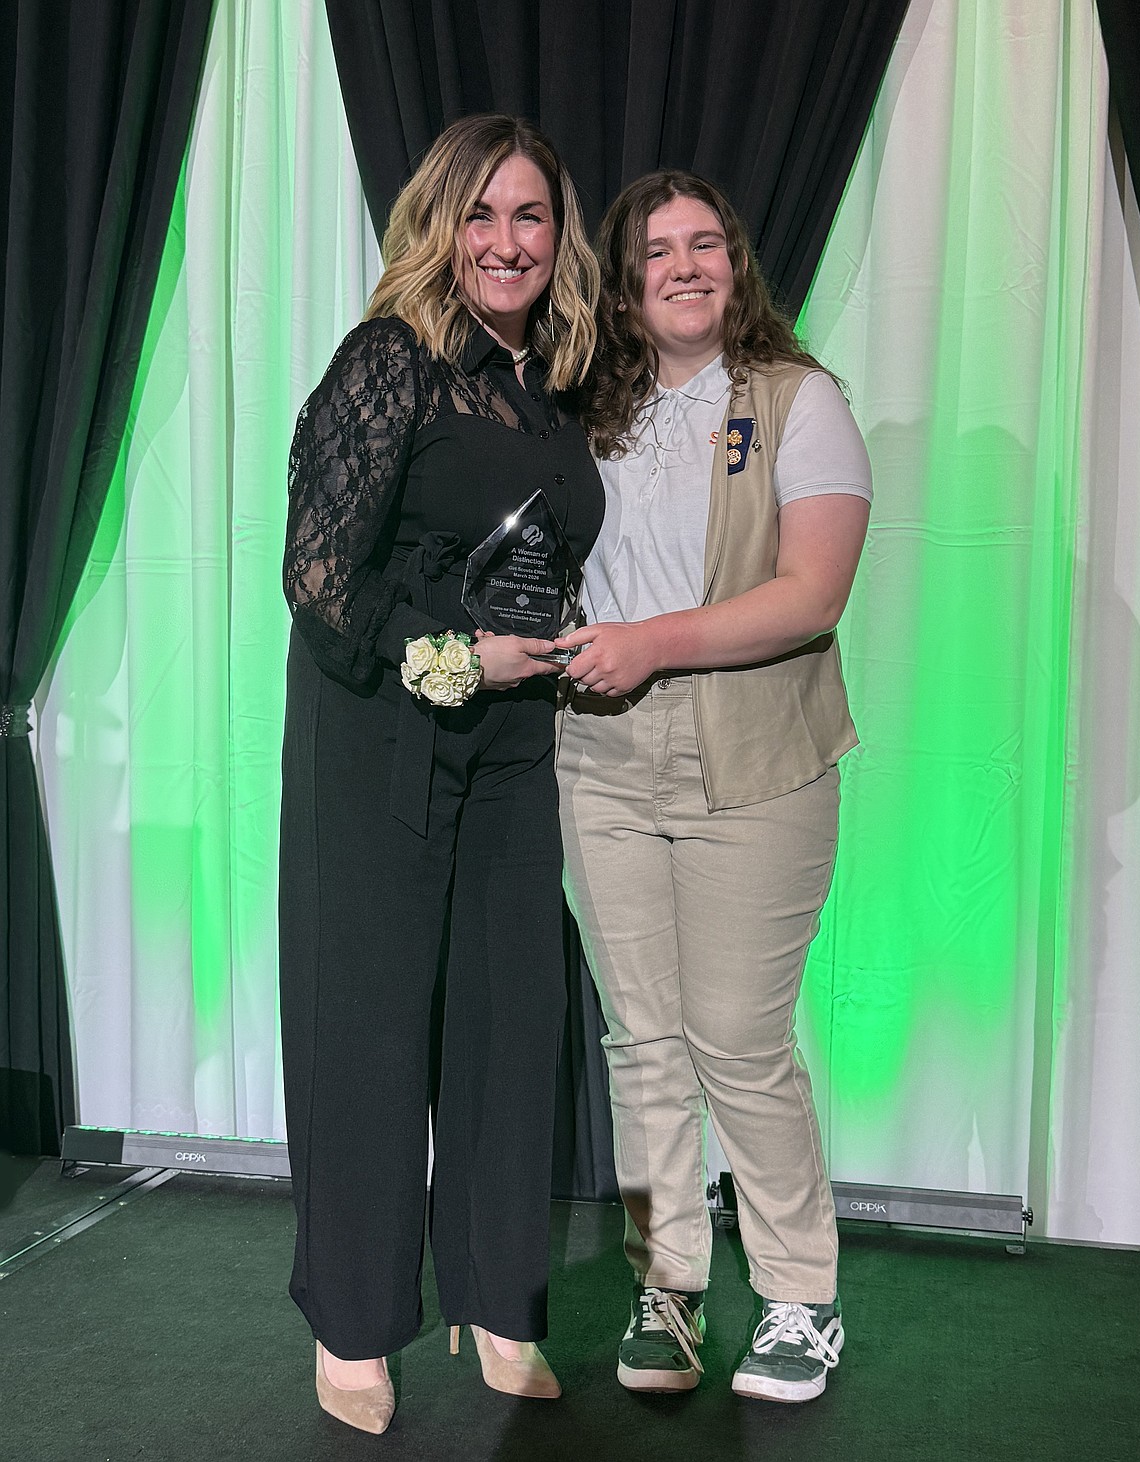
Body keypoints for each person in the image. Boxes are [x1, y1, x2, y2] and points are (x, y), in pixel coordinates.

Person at [279, 114, 602, 1434]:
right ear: (438, 226)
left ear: (556, 235)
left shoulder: (564, 381)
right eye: (480, 215)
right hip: (385, 732)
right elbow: (315, 581)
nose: (505, 241)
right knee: (367, 1031)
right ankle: (354, 1325)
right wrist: (460, 659)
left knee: (507, 1027)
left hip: (517, 744)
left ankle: (497, 1296)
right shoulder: (391, 360)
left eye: (527, 215)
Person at [555, 170, 871, 1404]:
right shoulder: (585, 407)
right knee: (645, 1043)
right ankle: (668, 1285)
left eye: (705, 245)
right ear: (627, 282)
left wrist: (651, 641)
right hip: (599, 753)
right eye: (656, 250)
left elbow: (813, 594)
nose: (684, 265)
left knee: (739, 1041)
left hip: (757, 759)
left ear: (736, 265)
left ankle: (799, 1297)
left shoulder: (802, 401)